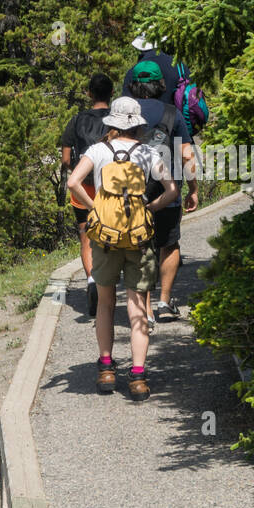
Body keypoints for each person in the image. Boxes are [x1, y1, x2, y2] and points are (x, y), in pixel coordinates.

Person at [67, 97, 178, 401]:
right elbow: (172, 190)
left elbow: (73, 181)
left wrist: (96, 209)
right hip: (138, 237)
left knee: (105, 303)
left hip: (105, 237)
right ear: (138, 124)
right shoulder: (147, 152)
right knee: (137, 304)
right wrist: (148, 209)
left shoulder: (97, 151)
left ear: (112, 123)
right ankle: (139, 377)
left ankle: (105, 368)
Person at [131, 60, 198, 324]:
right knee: (168, 244)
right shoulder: (172, 114)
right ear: (160, 85)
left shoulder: (125, 116)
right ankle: (164, 302)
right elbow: (187, 155)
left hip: (133, 197)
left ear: (133, 86)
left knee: (140, 248)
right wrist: (192, 188)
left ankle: (145, 308)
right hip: (167, 194)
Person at [61, 74, 113, 317]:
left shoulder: (77, 120)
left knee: (86, 236)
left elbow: (65, 158)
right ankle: (110, 282)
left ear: (89, 93)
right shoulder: (117, 120)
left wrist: (76, 173)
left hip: (83, 188)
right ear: (111, 94)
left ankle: (92, 281)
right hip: (111, 185)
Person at [123, 34, 188, 106]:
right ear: (161, 43)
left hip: (143, 115)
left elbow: (126, 104)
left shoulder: (133, 72)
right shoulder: (179, 66)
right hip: (176, 115)